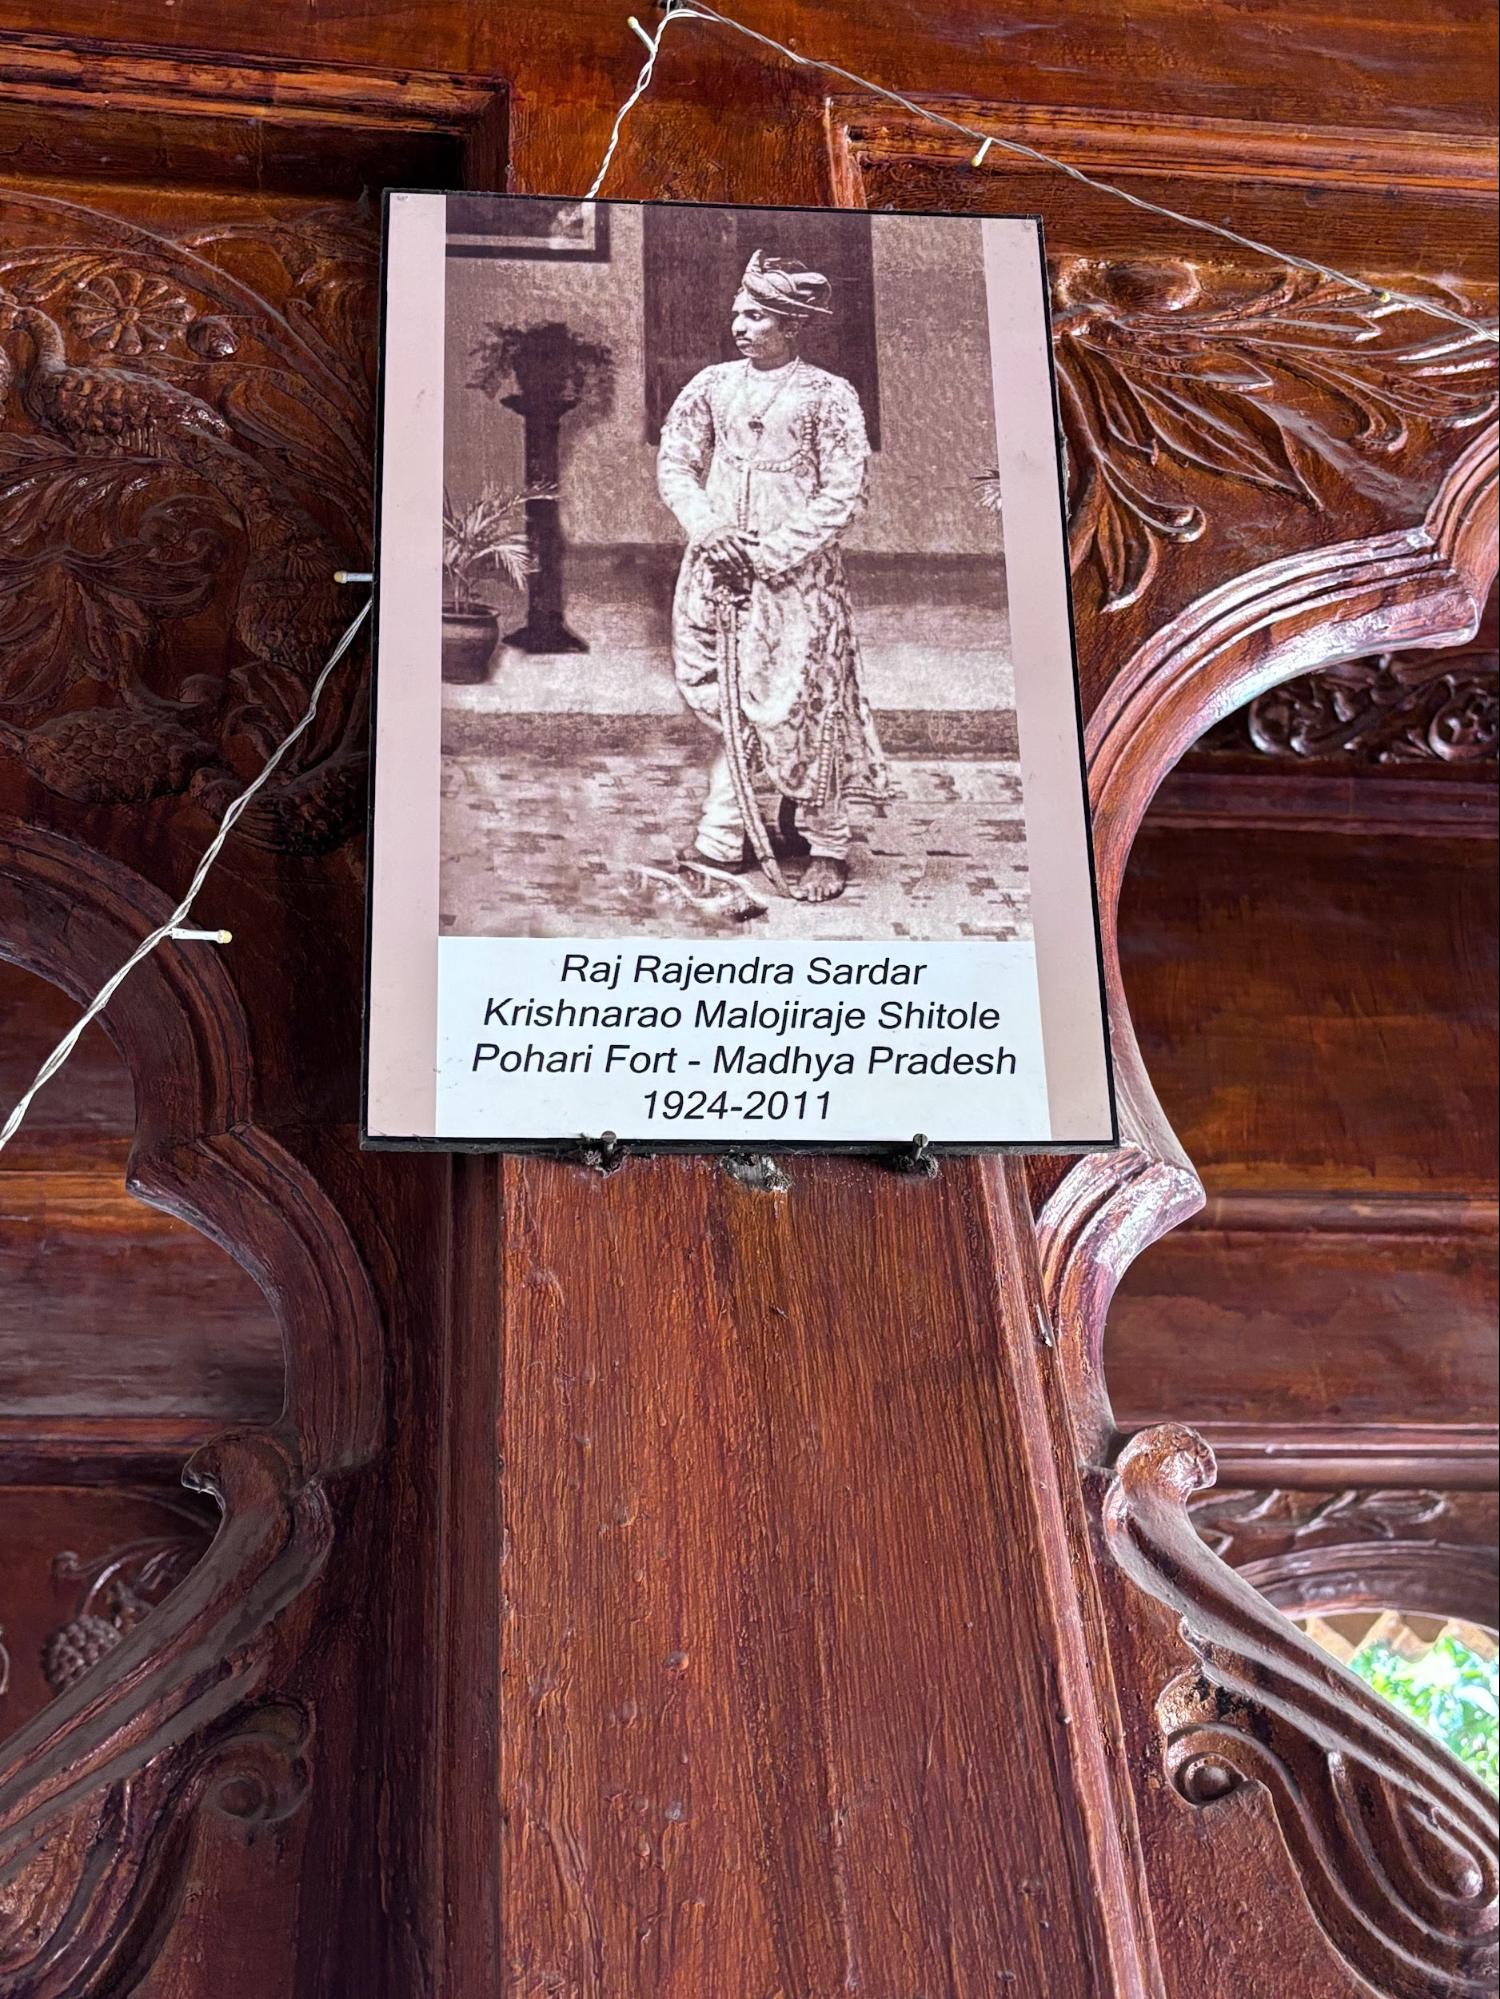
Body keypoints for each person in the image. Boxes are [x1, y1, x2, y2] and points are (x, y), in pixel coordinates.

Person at [656, 250, 888, 903]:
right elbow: (676, 465)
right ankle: (744, 827)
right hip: (713, 569)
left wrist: (767, 554)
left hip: (794, 578)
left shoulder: (828, 395)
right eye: (738, 313)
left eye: (756, 315)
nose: (741, 325)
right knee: (720, 692)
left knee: (802, 703)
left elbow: (844, 494)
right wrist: (710, 531)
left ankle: (825, 845)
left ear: (791, 325)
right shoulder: (711, 385)